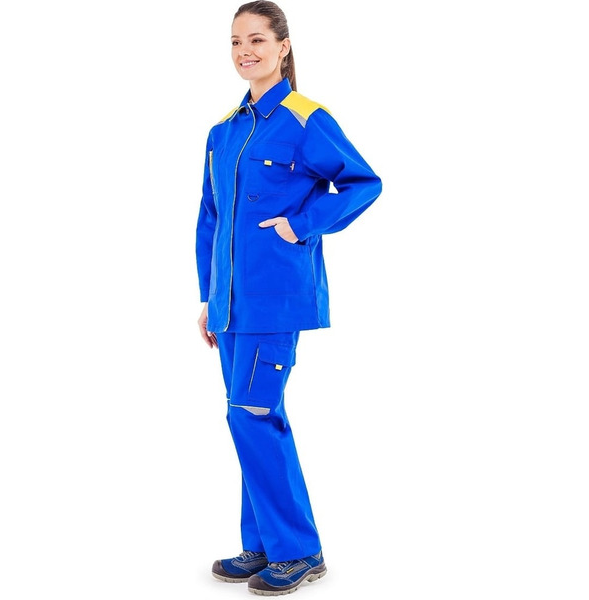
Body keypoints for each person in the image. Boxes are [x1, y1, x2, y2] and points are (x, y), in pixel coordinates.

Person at [195, 1, 382, 595]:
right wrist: (209, 297)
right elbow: (210, 219)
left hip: (275, 298)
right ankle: (263, 545)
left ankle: (300, 550)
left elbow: (363, 182)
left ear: (283, 46)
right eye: (235, 41)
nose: (244, 51)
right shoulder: (223, 131)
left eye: (256, 39)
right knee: (248, 417)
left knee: (251, 415)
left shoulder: (305, 119)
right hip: (231, 305)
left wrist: (301, 225)